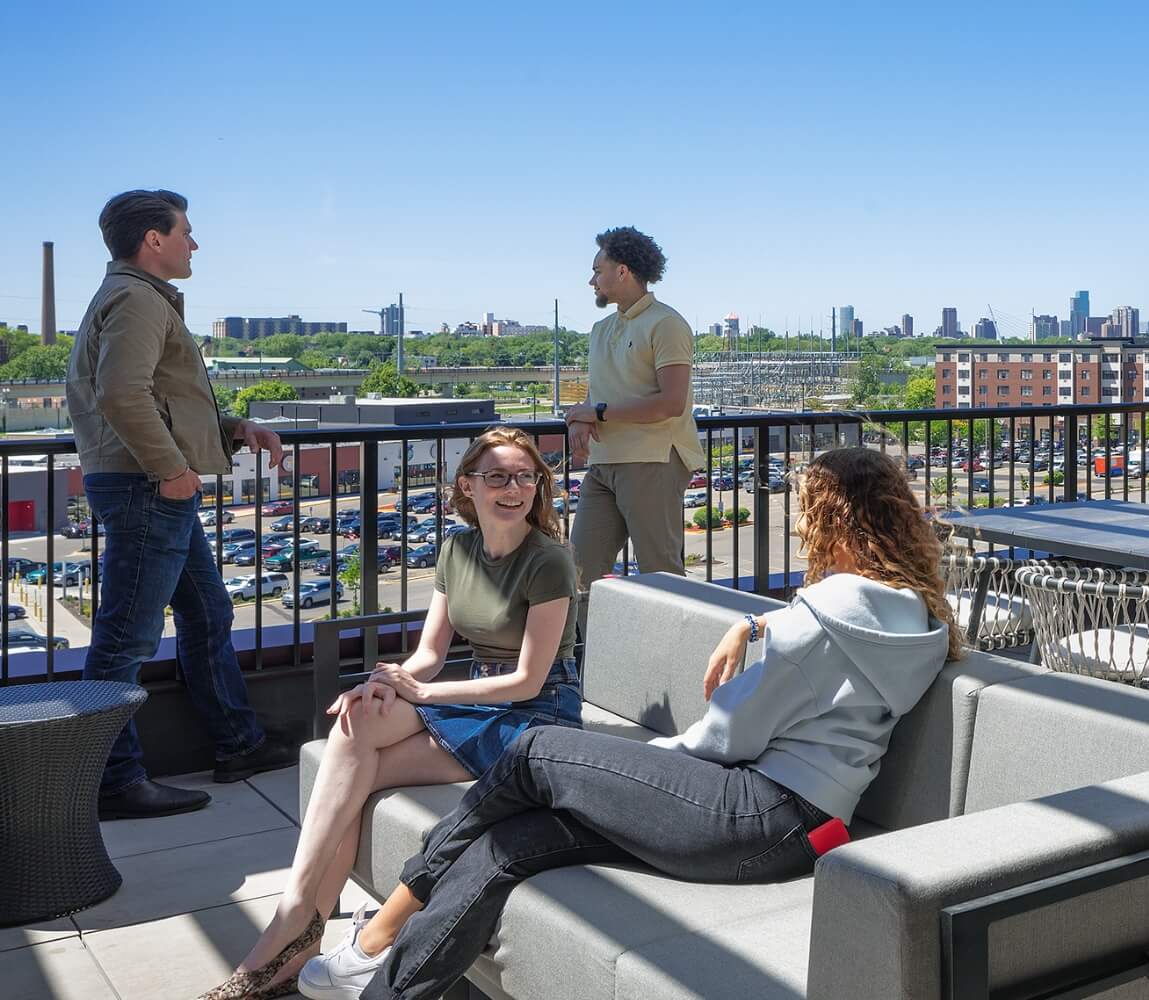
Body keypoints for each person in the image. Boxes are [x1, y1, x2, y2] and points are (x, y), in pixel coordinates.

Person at [298, 448, 957, 1000]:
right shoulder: (913, 614)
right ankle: (386, 986)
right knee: (516, 843)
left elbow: (727, 737)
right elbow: (800, 674)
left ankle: (383, 927)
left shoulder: (822, 617)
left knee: (536, 752)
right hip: (796, 829)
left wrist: (644, 761)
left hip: (752, 811)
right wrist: (754, 623)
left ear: (832, 523)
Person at [203, 427, 580, 1000]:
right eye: (498, 476)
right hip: (482, 697)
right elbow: (429, 655)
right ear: (468, 485)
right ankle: (301, 918)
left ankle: (292, 926)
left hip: (538, 715)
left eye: (527, 476)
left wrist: (421, 695)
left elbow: (528, 680)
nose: (514, 487)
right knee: (355, 724)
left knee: (361, 767)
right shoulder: (457, 548)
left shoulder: (549, 560)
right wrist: (383, 680)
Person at [69, 189, 298, 820]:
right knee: (125, 641)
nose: (194, 243)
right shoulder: (138, 300)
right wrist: (171, 469)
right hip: (147, 486)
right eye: (187, 232)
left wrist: (231, 429)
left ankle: (240, 743)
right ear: (154, 240)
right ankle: (116, 779)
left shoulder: (135, 297)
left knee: (207, 611)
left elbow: (164, 399)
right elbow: (122, 395)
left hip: (148, 484)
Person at [563, 227, 699, 593]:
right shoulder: (600, 329)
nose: (592, 280)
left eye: (597, 270)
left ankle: (673, 652)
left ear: (622, 271)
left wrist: (599, 413)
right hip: (604, 464)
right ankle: (596, 651)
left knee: (661, 574)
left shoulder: (666, 323)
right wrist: (580, 419)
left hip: (652, 461)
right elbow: (599, 396)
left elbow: (671, 403)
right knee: (578, 574)